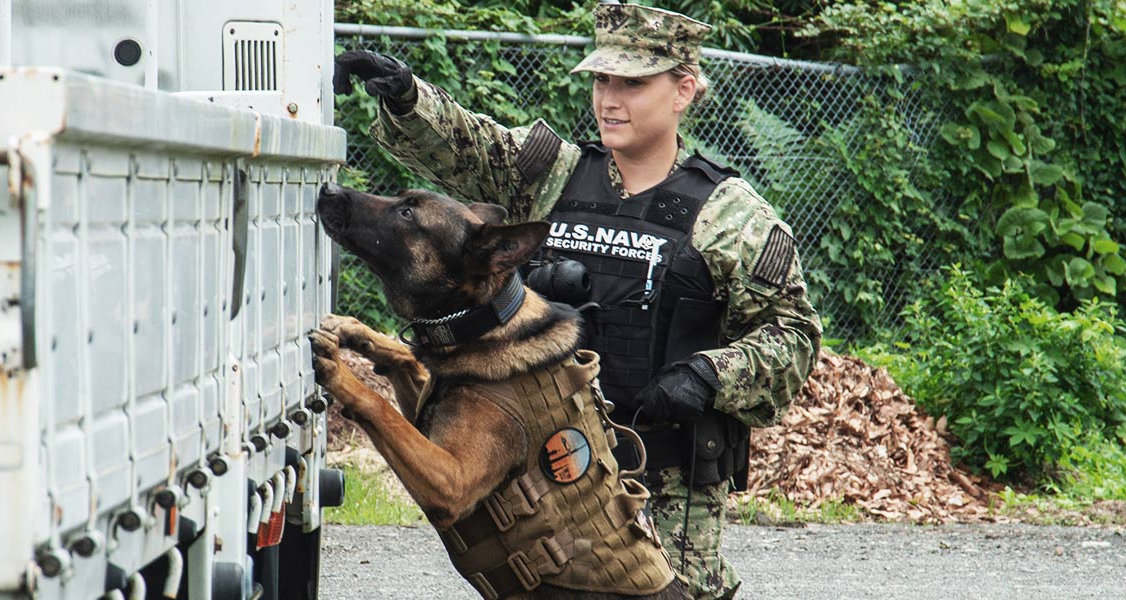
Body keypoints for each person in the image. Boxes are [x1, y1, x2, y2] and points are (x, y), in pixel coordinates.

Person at [333, 2, 821, 598]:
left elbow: (794, 338)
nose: (610, 99)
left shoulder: (732, 216)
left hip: (665, 493)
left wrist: (711, 372)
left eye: (633, 83)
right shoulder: (554, 175)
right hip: (549, 471)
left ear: (683, 90)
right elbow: (468, 146)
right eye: (601, 80)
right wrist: (408, 98)